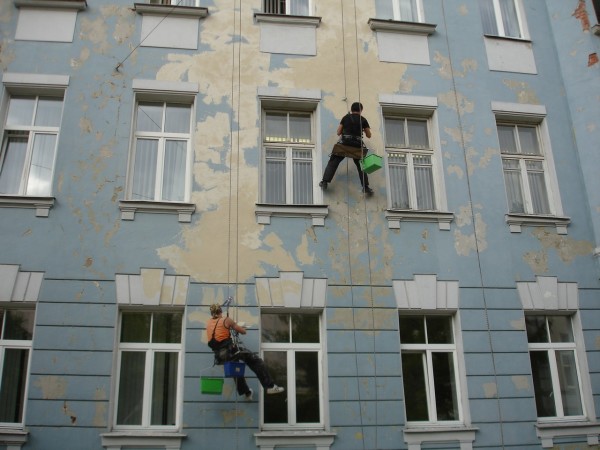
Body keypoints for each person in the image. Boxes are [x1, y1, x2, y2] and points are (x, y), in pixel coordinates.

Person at [206, 303, 284, 400]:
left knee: (236, 370)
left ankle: (247, 393)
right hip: (230, 351)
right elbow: (243, 331)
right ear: (221, 311)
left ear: (211, 313)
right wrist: (239, 326)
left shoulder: (208, 322)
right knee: (255, 361)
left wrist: (230, 327)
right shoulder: (226, 320)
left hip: (220, 355)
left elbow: (218, 333)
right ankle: (270, 386)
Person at [319, 102, 374, 195]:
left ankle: (324, 182)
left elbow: (338, 132)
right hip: (357, 146)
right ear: (361, 110)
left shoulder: (346, 117)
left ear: (352, 109)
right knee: (362, 166)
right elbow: (369, 135)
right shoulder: (363, 120)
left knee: (333, 161)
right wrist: (364, 129)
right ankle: (366, 187)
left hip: (345, 144)